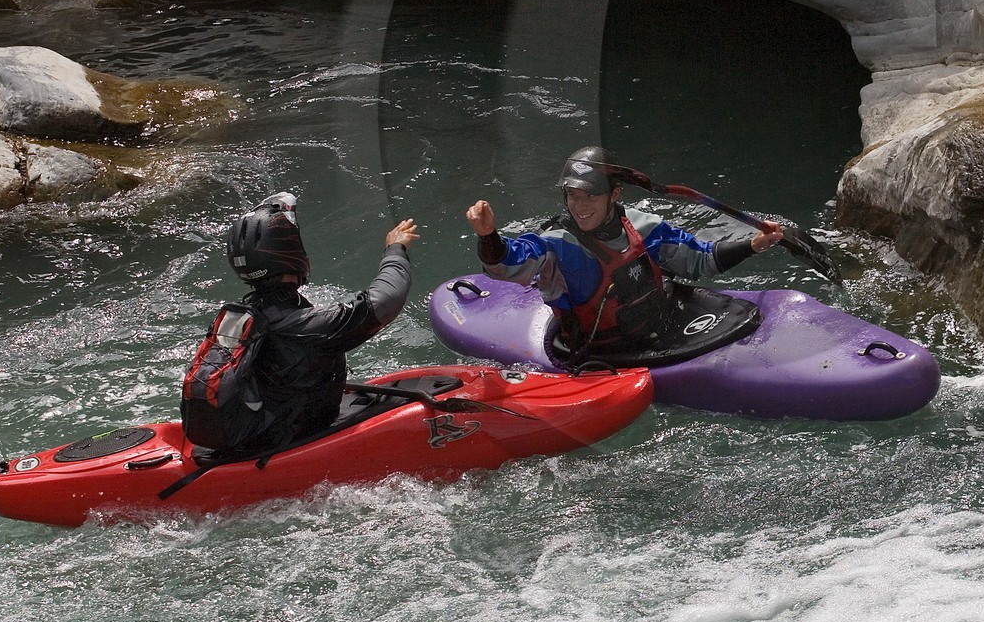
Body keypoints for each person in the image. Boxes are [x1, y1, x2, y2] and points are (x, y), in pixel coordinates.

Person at [465, 146, 783, 355]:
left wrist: (753, 245)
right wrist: (488, 235)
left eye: (590, 196)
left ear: (614, 194)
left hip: (661, 328)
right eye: (572, 196)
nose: (579, 206)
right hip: (603, 353)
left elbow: (701, 260)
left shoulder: (643, 226)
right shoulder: (557, 245)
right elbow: (505, 264)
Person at [209, 191, 419, 453]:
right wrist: (395, 249)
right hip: (283, 443)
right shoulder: (305, 327)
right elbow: (386, 300)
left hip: (252, 431)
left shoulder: (237, 316)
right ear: (291, 254)